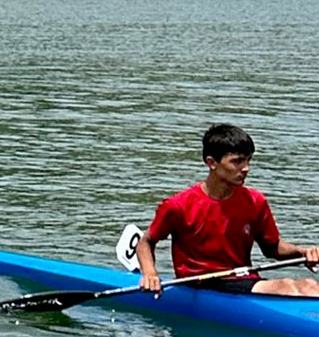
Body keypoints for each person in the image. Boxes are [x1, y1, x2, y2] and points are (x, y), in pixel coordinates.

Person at [137, 123, 319, 297]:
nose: (246, 168)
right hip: (198, 283)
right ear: (212, 163)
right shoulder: (178, 205)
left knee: (309, 286)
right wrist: (150, 273)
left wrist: (302, 252)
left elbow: (273, 249)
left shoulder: (256, 202)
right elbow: (145, 242)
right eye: (237, 161)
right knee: (294, 287)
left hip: (240, 279)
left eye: (248, 160)